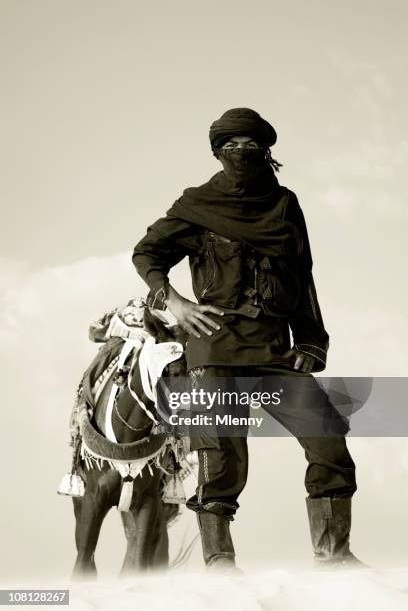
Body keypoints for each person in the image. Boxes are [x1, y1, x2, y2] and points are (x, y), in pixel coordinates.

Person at [132, 108, 361, 570]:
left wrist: (312, 341)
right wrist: (175, 303)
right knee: (221, 455)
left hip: (276, 348)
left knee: (328, 440)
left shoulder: (284, 205)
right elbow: (148, 253)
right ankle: (219, 561)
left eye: (252, 146)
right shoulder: (197, 204)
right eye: (232, 146)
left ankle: (334, 556)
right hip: (214, 346)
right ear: (218, 153)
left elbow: (303, 274)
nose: (243, 153)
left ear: (267, 152)